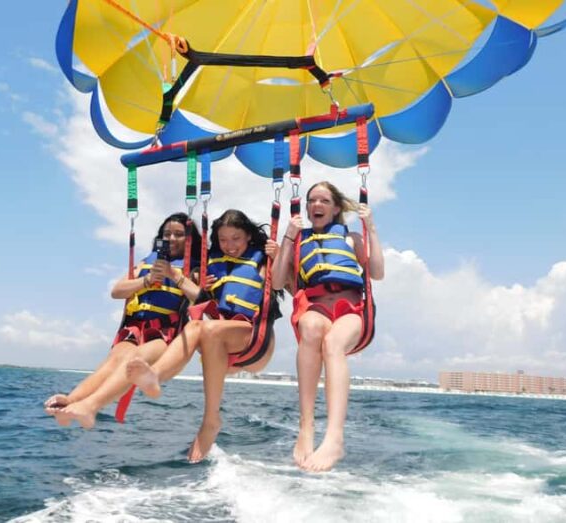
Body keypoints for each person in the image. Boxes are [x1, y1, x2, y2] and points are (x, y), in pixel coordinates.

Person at [126, 209, 280, 462]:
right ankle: (153, 377)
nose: (230, 245)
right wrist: (190, 282)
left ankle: (209, 418)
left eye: (236, 238)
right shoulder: (211, 266)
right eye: (223, 240)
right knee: (197, 326)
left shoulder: (264, 261)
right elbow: (198, 299)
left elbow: (282, 283)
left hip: (255, 342)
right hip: (221, 348)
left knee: (201, 328)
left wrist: (280, 255)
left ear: (249, 237)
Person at [43, 212, 203, 429]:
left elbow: (201, 298)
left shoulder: (194, 269)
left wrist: (174, 275)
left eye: (178, 234)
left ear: (189, 239)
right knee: (113, 360)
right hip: (135, 327)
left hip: (165, 332)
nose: (172, 239)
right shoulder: (146, 263)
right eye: (167, 234)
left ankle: (90, 406)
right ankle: (71, 401)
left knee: (135, 359)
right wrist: (147, 280)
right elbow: (117, 291)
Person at [271, 181, 384, 472]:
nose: (316, 205)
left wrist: (371, 229)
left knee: (333, 343)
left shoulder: (351, 238)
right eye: (311, 201)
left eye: (323, 200)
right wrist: (288, 237)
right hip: (317, 307)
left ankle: (335, 438)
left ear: (335, 208)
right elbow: (277, 281)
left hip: (351, 309)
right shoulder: (299, 240)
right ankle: (306, 427)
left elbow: (377, 273)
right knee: (310, 328)